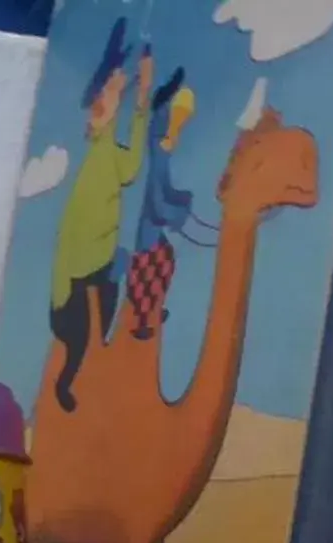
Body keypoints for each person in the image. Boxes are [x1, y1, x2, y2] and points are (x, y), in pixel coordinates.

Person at [48, 21, 153, 410]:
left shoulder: (110, 155)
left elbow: (132, 166)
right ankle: (70, 380)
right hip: (77, 270)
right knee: (82, 333)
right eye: (108, 91)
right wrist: (123, 87)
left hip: (96, 260)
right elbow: (100, 108)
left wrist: (141, 93)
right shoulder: (98, 145)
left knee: (112, 289)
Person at [126, 69, 219, 340]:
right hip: (150, 231)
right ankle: (142, 318)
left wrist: (180, 198)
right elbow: (156, 198)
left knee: (165, 261)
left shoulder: (162, 155)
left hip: (156, 228)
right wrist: (175, 213)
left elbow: (164, 188)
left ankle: (151, 308)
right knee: (153, 265)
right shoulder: (158, 151)